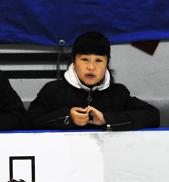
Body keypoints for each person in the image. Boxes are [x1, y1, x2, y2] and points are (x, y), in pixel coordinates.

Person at [28, 31, 160, 131]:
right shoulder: (53, 91)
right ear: (74, 61)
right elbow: (29, 121)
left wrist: (106, 119)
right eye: (84, 59)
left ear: (107, 62)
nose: (91, 67)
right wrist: (67, 118)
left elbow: (152, 115)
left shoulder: (118, 93)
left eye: (98, 60)